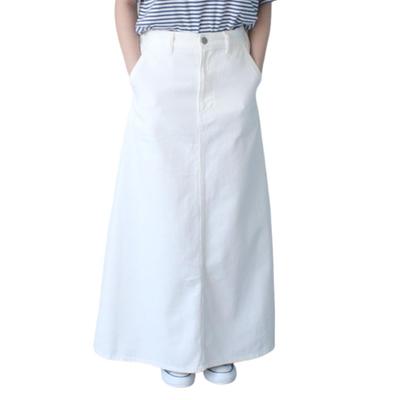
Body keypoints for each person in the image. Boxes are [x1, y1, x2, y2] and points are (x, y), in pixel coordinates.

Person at [94, 0, 276, 388]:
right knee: (162, 211)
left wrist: (253, 71)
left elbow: (263, 6)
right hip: (163, 66)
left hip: (231, 62)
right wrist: (139, 74)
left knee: (232, 211)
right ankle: (169, 344)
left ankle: (226, 342)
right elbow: (125, 4)